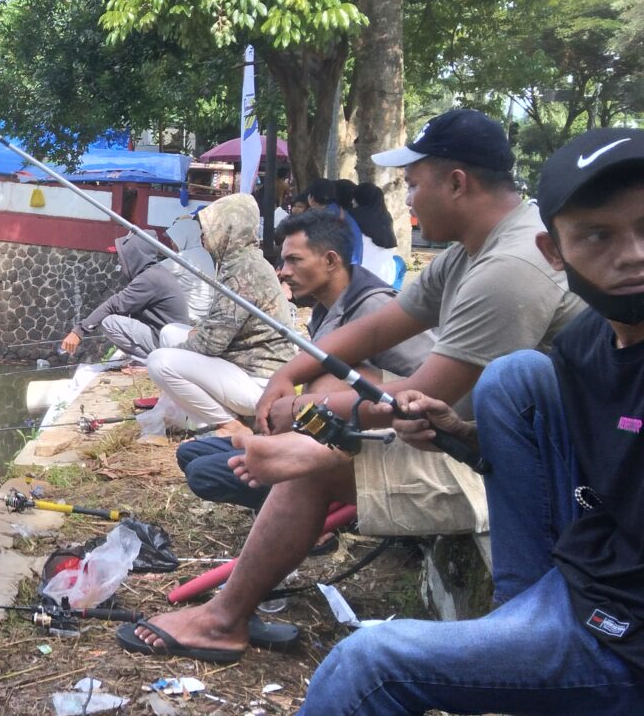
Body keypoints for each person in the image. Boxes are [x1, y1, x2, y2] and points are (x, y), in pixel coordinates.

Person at [120, 108, 586, 665]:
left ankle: (223, 620)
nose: (406, 202)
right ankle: (228, 611)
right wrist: (287, 377)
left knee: (308, 466)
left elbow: (423, 396)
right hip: (486, 438)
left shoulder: (510, 266)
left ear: (457, 182)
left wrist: (303, 417)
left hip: (535, 469)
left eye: (413, 185)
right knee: (303, 456)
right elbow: (384, 324)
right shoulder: (470, 250)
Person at [302, 127, 644, 715]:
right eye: (597, 235)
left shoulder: (510, 271)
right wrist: (461, 437)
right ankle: (520, 618)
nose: (634, 253)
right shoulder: (588, 343)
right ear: (555, 253)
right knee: (515, 378)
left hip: (625, 628)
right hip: (589, 567)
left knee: (370, 663)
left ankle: (530, 643)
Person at [180, 209, 434, 511]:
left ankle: (319, 506)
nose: (283, 271)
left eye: (294, 260)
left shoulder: (376, 308)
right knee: (191, 455)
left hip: (373, 448)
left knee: (205, 473)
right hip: (319, 436)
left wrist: (318, 406)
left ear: (330, 261)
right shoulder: (323, 311)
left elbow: (434, 387)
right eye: (283, 261)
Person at [143, 193, 297, 440]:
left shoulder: (242, 271)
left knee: (160, 361)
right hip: (244, 368)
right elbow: (218, 326)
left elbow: (210, 345)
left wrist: (189, 343)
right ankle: (192, 417)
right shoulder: (242, 261)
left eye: (209, 230)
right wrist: (195, 336)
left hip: (262, 382)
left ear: (228, 229)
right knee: (170, 332)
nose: (204, 238)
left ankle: (229, 424)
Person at [60, 233, 189, 362]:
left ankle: (147, 362)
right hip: (169, 340)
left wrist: (79, 331)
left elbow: (113, 305)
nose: (120, 261)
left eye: (122, 257)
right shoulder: (156, 273)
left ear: (134, 256)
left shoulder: (149, 279)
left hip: (168, 346)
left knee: (109, 322)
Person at [351, 181, 398, 248]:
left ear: (360, 198)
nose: (352, 201)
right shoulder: (386, 216)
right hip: (387, 256)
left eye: (354, 199)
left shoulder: (354, 215)